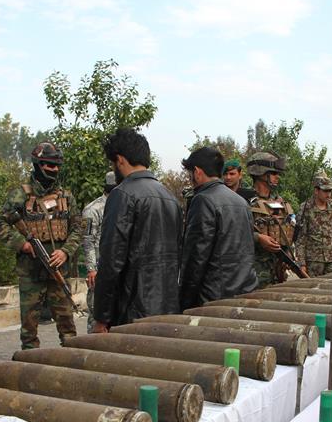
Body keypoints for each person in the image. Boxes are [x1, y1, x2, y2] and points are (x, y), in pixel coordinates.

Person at [0, 143, 84, 349]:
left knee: (67, 326)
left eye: (56, 166)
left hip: (58, 270)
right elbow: (0, 223)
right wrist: (23, 245)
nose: (54, 170)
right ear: (38, 165)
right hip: (31, 271)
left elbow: (78, 228)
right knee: (29, 328)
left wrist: (65, 251)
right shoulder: (20, 195)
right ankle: (29, 363)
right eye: (49, 165)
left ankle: (72, 363)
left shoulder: (66, 197)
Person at [92, 128, 182, 330]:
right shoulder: (170, 198)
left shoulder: (122, 195)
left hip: (132, 312)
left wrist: (101, 317)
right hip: (168, 307)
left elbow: (111, 261)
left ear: (120, 160)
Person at [179, 146, 257, 309]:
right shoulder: (242, 202)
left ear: (197, 172)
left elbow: (195, 259)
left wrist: (184, 302)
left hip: (214, 299)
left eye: (190, 174)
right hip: (244, 292)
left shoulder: (202, 201)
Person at [246, 151, 295, 287]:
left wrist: (288, 254)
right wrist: (258, 238)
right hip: (254, 274)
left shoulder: (279, 203)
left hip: (277, 273)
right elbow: (235, 234)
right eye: (273, 173)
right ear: (261, 173)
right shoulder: (244, 202)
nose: (277, 177)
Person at [82, 171, 116, 333]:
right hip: (99, 269)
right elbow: (88, 241)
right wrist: (91, 269)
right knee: (96, 314)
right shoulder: (93, 209)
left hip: (116, 269)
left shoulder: (122, 205)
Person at [295, 172, 332, 277]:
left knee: (331, 290)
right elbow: (301, 238)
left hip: (331, 259)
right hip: (313, 262)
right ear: (316, 191)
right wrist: (302, 263)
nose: (328, 194)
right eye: (325, 191)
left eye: (330, 191)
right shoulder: (306, 208)